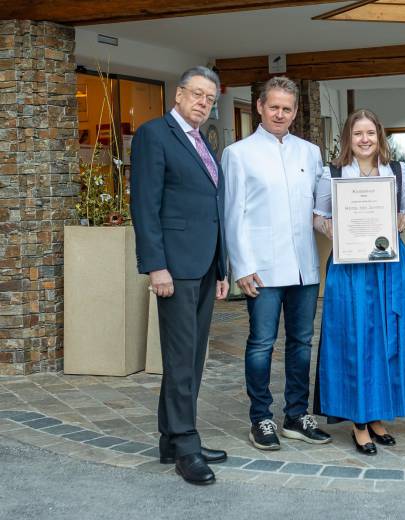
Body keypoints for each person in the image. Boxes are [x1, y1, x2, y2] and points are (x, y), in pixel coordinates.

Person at [130, 66, 229, 485]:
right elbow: (144, 206)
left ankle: (172, 437)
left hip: (205, 265)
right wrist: (156, 266)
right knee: (181, 358)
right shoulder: (155, 135)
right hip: (174, 268)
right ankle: (186, 446)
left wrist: (222, 267)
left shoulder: (202, 141)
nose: (204, 103)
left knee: (189, 358)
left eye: (210, 98)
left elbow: (212, 209)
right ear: (178, 94)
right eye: (198, 94)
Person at [222, 76, 331, 451]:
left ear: (295, 111)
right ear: (259, 107)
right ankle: (261, 419)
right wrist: (242, 266)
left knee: (302, 343)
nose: (280, 114)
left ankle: (297, 416)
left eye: (287, 108)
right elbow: (232, 214)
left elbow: (320, 208)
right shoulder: (238, 154)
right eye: (274, 107)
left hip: (304, 266)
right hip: (263, 268)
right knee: (261, 344)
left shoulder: (310, 152)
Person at [312, 109, 405, 455]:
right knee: (355, 339)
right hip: (350, 265)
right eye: (358, 133)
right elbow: (318, 217)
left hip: (389, 266)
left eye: (370, 133)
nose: (365, 139)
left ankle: (378, 416)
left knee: (389, 338)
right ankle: (358, 421)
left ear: (379, 136)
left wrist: (403, 222)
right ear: (348, 137)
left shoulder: (398, 171)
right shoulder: (332, 174)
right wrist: (331, 228)